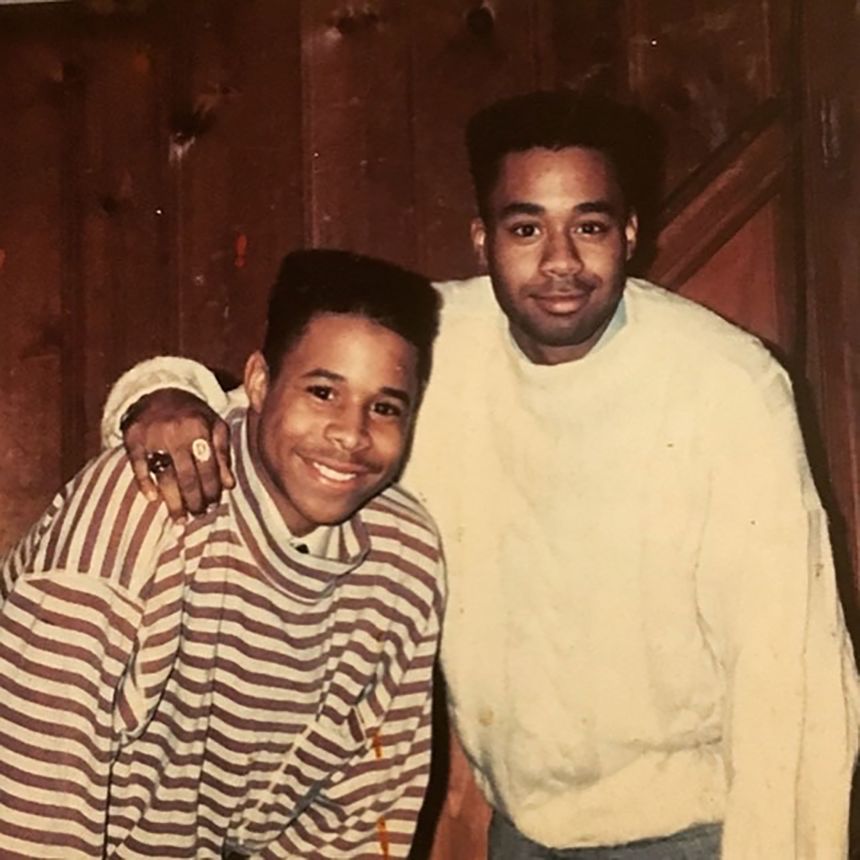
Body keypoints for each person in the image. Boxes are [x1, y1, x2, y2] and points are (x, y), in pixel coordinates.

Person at [102, 91, 860, 859]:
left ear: (631, 234)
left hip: (696, 832)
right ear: (481, 238)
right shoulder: (433, 342)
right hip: (521, 834)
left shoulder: (729, 386)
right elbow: (266, 414)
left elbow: (791, 677)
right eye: (526, 227)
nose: (560, 261)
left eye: (589, 226)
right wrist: (159, 393)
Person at [0, 249, 446, 859]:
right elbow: (32, 817)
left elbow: (361, 818)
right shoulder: (140, 506)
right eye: (322, 392)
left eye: (386, 407)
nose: (352, 434)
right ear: (259, 383)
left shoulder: (403, 560)